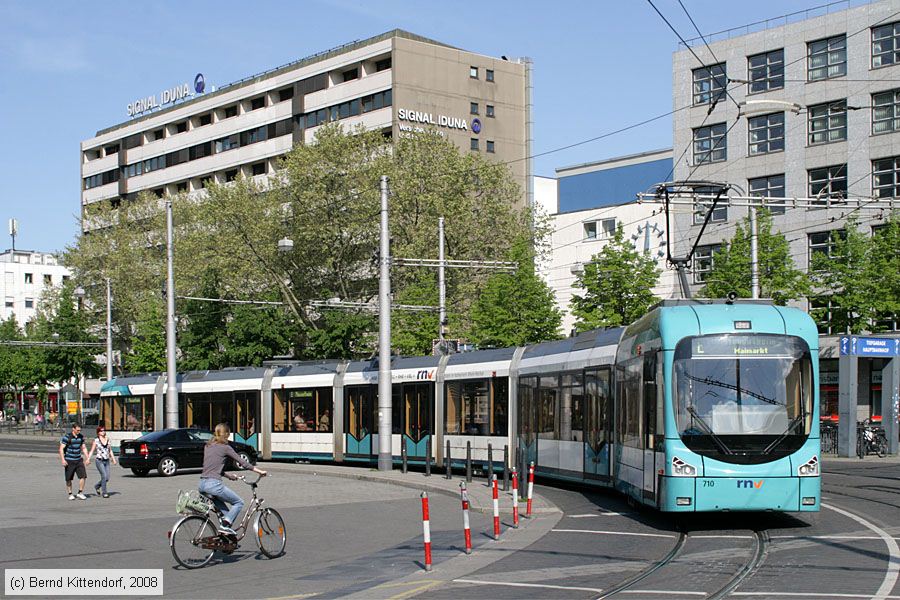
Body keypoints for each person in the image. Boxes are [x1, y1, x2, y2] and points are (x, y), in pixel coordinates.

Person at [199, 423, 267, 536]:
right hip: (213, 485)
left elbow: (212, 468)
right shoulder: (225, 447)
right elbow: (243, 463)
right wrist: (260, 471)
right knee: (238, 503)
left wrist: (229, 476)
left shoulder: (208, 446)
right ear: (226, 434)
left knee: (228, 515)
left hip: (202, 484)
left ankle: (225, 537)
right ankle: (224, 527)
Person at [59, 423, 90, 500]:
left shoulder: (81, 437)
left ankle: (80, 493)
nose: (79, 432)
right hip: (69, 460)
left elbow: (84, 448)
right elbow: (61, 449)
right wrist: (63, 460)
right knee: (68, 478)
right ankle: (70, 494)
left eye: (80, 430)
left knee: (83, 476)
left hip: (79, 460)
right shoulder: (67, 437)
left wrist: (87, 458)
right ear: (73, 429)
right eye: (77, 430)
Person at [87, 426, 117, 498]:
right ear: (98, 433)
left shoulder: (108, 440)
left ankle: (97, 486)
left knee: (107, 478)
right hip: (99, 460)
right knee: (104, 476)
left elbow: (110, 450)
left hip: (107, 461)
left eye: (104, 430)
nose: (103, 432)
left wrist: (113, 459)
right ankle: (104, 492)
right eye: (101, 431)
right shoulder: (96, 440)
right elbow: (92, 451)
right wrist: (88, 459)